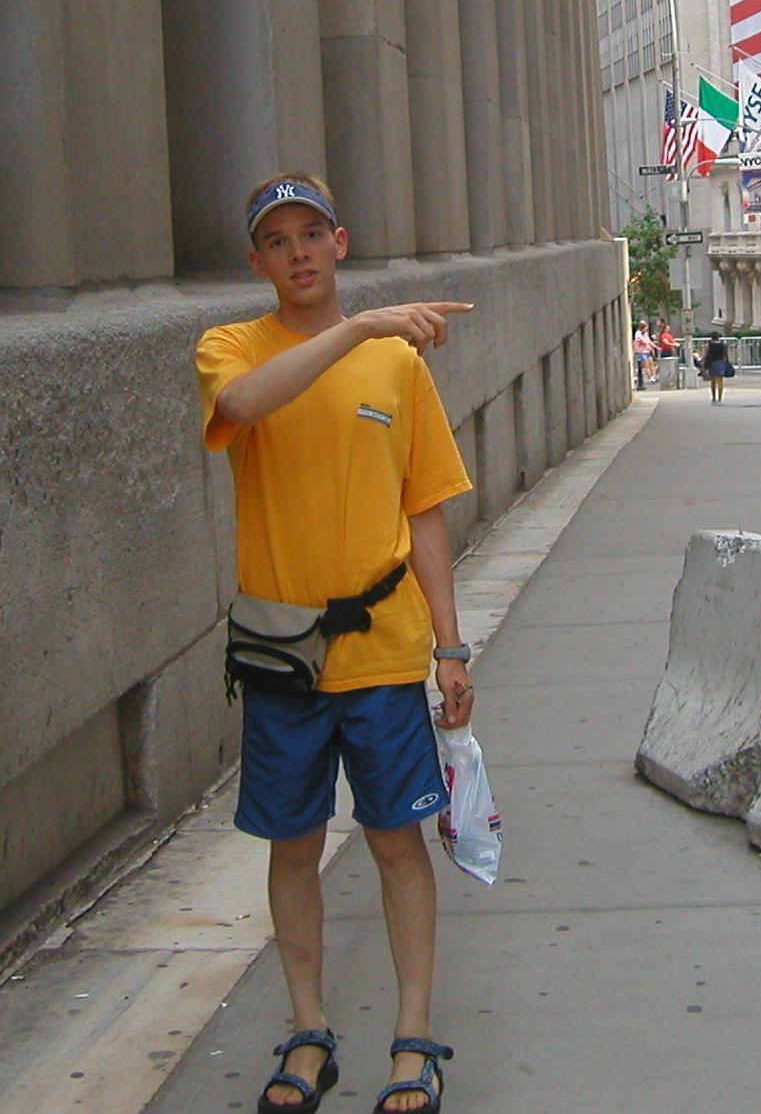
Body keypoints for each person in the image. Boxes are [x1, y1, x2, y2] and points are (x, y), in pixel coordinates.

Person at [196, 174, 476, 1114]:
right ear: (258, 262)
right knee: (292, 844)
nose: (299, 252)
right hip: (283, 658)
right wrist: (358, 329)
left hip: (385, 653)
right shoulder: (232, 347)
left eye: (312, 233)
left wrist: (451, 647)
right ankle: (309, 1030)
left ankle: (412, 1037)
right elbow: (240, 407)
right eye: (278, 241)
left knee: (398, 842)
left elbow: (425, 512)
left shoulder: (400, 368)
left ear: (341, 242)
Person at [701, 331, 732, 403]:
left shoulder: (709, 345)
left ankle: (714, 398)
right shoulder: (723, 345)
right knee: (720, 381)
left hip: (712, 363)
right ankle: (720, 398)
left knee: (713, 381)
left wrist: (703, 364)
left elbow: (706, 355)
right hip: (720, 363)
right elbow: (725, 355)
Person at [632, 322, 653, 389]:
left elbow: (648, 341)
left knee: (650, 363)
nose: (647, 329)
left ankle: (652, 376)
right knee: (645, 365)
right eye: (646, 327)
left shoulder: (645, 333)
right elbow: (640, 341)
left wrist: (653, 347)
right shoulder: (638, 333)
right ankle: (649, 378)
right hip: (641, 351)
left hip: (646, 351)